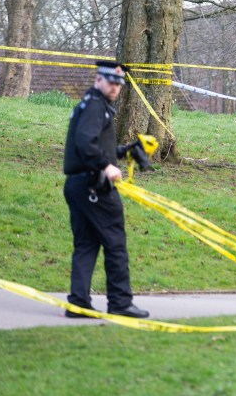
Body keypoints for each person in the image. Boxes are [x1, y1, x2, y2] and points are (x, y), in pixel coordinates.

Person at [62, 59, 149, 319]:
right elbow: (85, 143)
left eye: (118, 84)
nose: (115, 88)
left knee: (87, 245)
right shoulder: (96, 107)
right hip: (94, 186)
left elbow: (94, 145)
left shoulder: (92, 105)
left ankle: (78, 303)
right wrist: (106, 166)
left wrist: (125, 150)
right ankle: (120, 302)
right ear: (98, 80)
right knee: (115, 244)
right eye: (111, 82)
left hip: (78, 184)